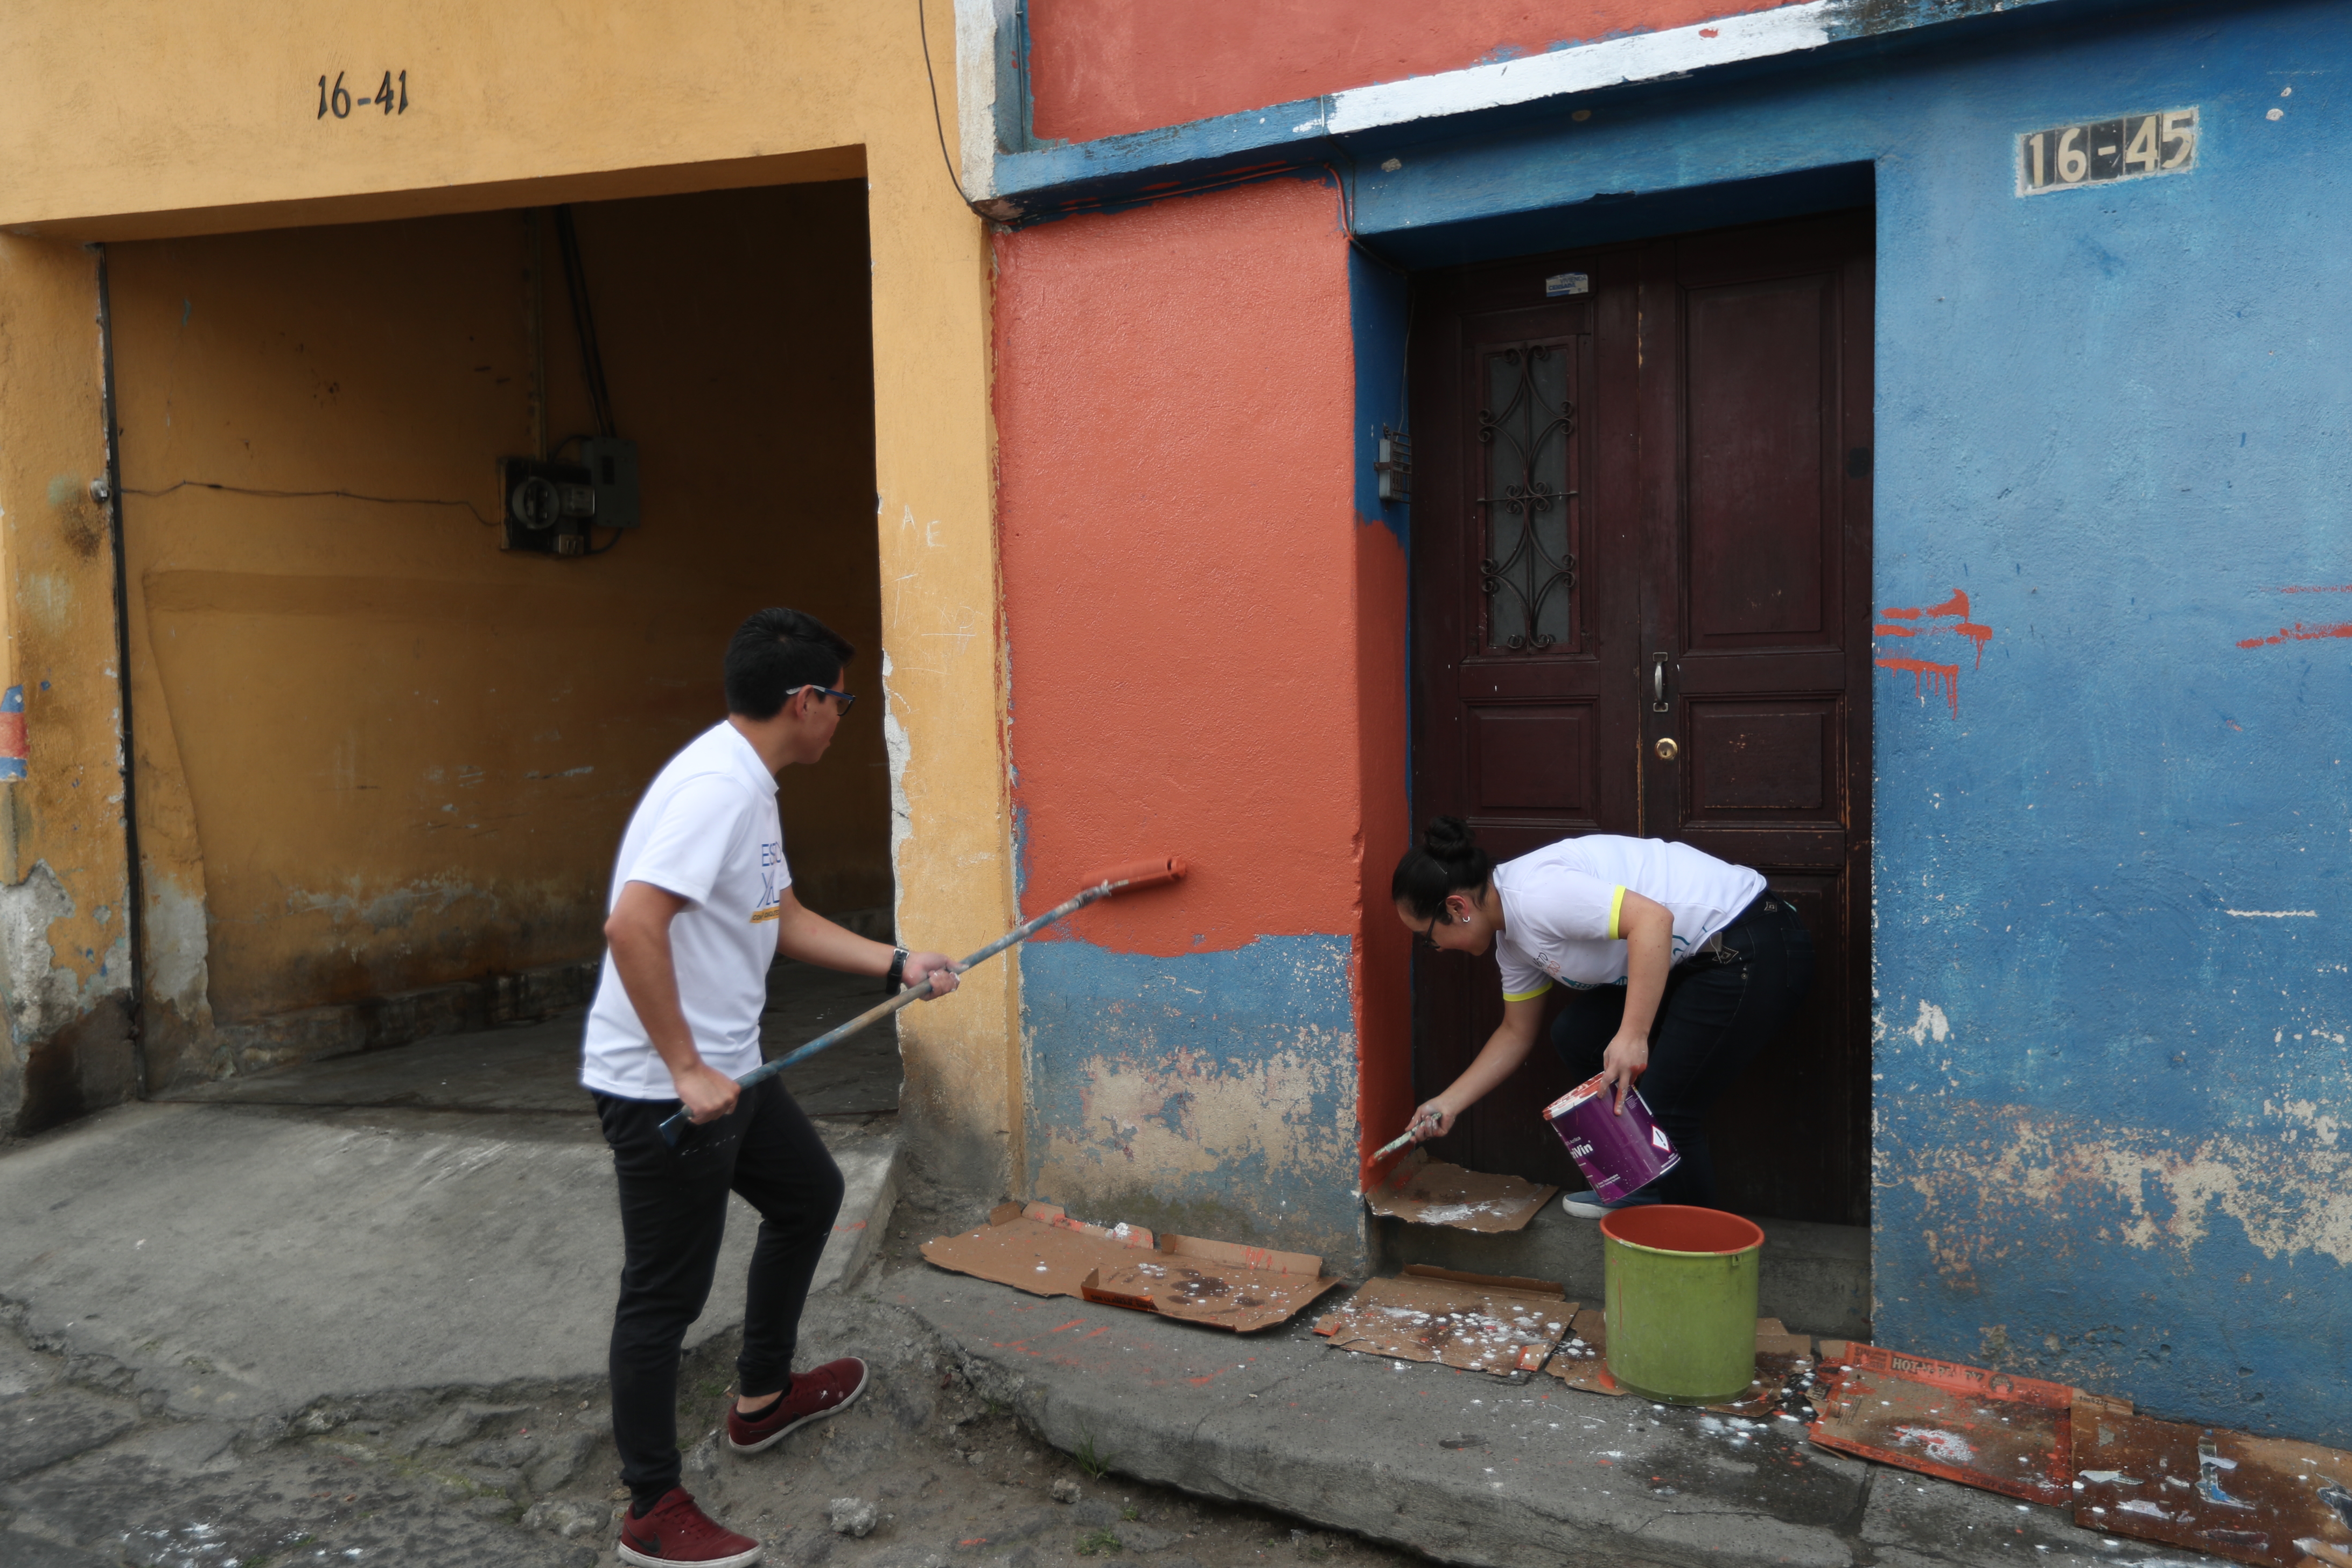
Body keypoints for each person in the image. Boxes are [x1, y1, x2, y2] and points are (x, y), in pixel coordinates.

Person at [584, 607, 960, 1568]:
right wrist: (683, 1068)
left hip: (732, 1072)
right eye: (840, 699)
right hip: (669, 1090)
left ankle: (761, 1399)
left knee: (810, 1195)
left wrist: (897, 963)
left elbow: (777, 914)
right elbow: (631, 925)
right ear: (804, 701)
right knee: (662, 1297)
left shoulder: (749, 783)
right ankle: (650, 1507)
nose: (843, 716)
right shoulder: (715, 787)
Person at [1390, 816, 1811, 1217]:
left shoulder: (1536, 894)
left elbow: (1653, 920)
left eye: (1428, 939)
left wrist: (1633, 1035)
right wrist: (1448, 1103)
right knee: (1578, 1035)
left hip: (1750, 944)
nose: (1438, 950)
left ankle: (1694, 1249)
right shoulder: (1511, 941)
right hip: (1688, 962)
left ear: (1457, 906)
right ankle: (1645, 1185)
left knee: (1668, 1112)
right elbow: (1516, 1033)